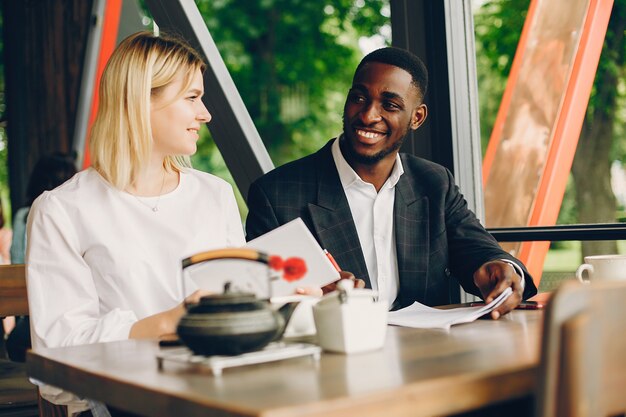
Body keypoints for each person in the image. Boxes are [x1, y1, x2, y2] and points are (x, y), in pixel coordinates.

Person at [26, 31, 245, 415]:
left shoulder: (215, 194)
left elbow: (239, 307)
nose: (205, 113)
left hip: (226, 395)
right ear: (141, 100)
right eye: (192, 97)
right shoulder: (61, 210)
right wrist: (166, 323)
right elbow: (57, 353)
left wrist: (286, 298)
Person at [246, 47, 537, 317]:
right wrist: (311, 301)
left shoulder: (434, 183)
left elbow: (479, 251)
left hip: (426, 357)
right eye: (359, 97)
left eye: (390, 104)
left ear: (417, 117)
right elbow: (261, 304)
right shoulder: (277, 195)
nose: (369, 115)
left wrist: (502, 270)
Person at [5, 152, 77, 362]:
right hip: (69, 317)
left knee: (16, 342)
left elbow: (18, 261)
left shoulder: (22, 217)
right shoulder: (73, 215)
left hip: (28, 317)